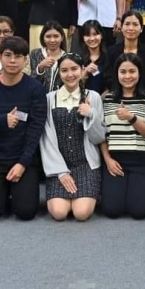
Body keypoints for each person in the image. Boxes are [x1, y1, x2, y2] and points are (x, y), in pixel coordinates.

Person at [0, 37, 47, 221]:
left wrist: (22, 163)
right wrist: (1, 121)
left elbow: (36, 129)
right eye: (8, 55)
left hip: (24, 159)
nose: (13, 60)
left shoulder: (35, 88)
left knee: (26, 212)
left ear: (26, 60)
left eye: (18, 56)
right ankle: (3, 191)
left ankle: (15, 189)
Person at [41, 53, 106, 221]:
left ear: (82, 70)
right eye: (64, 70)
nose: (70, 74)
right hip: (58, 165)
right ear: (59, 73)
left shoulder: (93, 97)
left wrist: (91, 115)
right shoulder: (49, 99)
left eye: (74, 69)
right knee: (59, 213)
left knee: (81, 213)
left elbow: (99, 138)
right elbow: (46, 138)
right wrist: (60, 172)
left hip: (86, 164)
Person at [100, 53, 145, 219]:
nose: (127, 76)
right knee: (111, 210)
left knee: (140, 212)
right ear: (117, 74)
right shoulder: (107, 99)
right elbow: (100, 134)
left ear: (139, 73)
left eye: (132, 71)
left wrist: (131, 118)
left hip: (143, 160)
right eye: (123, 72)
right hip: (115, 161)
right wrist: (107, 160)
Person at [105, 10, 145, 88]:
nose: (131, 28)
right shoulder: (112, 51)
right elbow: (108, 77)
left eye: (135, 24)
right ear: (121, 27)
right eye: (127, 24)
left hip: (143, 94)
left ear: (141, 28)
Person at [29, 20, 68, 93]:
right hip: (39, 98)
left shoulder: (67, 57)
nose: (52, 40)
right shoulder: (35, 54)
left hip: (59, 99)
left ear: (62, 38)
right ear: (43, 38)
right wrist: (41, 67)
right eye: (48, 36)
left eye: (56, 36)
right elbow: (31, 81)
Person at [79, 19, 108, 95]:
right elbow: (73, 86)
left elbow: (112, 86)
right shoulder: (78, 59)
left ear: (101, 35)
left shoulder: (109, 58)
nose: (92, 38)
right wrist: (85, 74)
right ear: (83, 38)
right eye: (88, 35)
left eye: (95, 34)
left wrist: (99, 100)